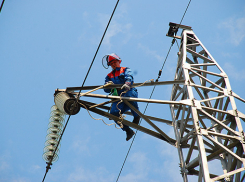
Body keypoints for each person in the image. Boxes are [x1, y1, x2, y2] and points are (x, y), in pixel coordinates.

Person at [103, 53, 140, 141]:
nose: (113, 64)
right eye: (111, 64)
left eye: (114, 62)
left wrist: (127, 83)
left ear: (119, 61)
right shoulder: (109, 76)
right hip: (119, 98)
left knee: (129, 96)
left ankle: (136, 116)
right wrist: (108, 86)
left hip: (129, 92)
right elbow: (106, 89)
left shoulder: (125, 69)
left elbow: (129, 76)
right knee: (113, 113)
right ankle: (128, 130)